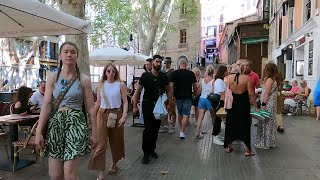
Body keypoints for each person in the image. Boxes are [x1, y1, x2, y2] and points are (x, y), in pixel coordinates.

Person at [35, 42, 97, 180]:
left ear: (77, 56)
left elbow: (91, 108)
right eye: (66, 51)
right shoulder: (53, 77)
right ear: (60, 55)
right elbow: (46, 105)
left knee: (69, 175)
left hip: (76, 125)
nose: (69, 54)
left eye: (73, 52)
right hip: (56, 124)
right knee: (55, 175)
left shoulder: (84, 79)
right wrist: (39, 132)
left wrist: (94, 133)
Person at [88, 63, 128, 179]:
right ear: (105, 72)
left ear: (116, 73)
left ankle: (114, 164)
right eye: (109, 71)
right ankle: (101, 171)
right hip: (102, 113)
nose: (111, 73)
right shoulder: (101, 85)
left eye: (113, 71)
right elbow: (98, 102)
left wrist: (124, 115)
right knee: (101, 144)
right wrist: (92, 115)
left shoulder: (120, 85)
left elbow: (125, 101)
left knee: (116, 141)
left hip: (116, 113)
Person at [132, 55, 172, 164]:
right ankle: (146, 153)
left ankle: (152, 149)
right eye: (157, 62)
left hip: (159, 106)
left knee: (156, 129)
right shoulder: (145, 76)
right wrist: (135, 106)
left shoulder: (163, 76)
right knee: (148, 129)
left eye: (160, 62)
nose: (159, 64)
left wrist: (169, 103)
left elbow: (169, 90)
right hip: (147, 105)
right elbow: (137, 92)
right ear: (153, 62)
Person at [224, 66, 258, 155]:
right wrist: (256, 106)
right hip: (243, 105)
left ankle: (229, 146)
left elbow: (227, 92)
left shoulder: (229, 78)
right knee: (244, 125)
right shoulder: (247, 78)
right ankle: (247, 150)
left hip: (232, 105)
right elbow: (251, 94)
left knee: (231, 124)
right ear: (242, 70)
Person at [170, 56, 197, 139]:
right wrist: (194, 94)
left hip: (178, 97)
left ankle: (181, 130)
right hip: (188, 96)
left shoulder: (174, 74)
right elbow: (195, 87)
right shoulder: (191, 73)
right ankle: (182, 132)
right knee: (186, 114)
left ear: (179, 64)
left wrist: (172, 96)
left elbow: (171, 86)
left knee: (180, 113)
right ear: (186, 64)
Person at [255, 63, 281, 149]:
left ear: (270, 71)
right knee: (270, 121)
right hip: (272, 103)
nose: (265, 71)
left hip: (268, 103)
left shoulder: (269, 80)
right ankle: (271, 142)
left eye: (267, 69)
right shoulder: (275, 79)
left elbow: (266, 93)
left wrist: (263, 104)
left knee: (265, 122)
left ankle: (264, 143)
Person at [195, 66, 220, 142]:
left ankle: (197, 132)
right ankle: (214, 132)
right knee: (213, 117)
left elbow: (199, 91)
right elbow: (213, 91)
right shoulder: (213, 81)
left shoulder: (202, 80)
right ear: (212, 72)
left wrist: (195, 96)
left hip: (202, 99)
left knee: (200, 117)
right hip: (210, 100)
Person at [159, 57, 175, 133]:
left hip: (171, 94)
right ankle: (165, 126)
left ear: (170, 63)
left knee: (172, 110)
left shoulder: (172, 72)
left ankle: (172, 127)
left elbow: (173, 85)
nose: (166, 64)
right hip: (163, 94)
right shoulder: (161, 72)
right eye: (165, 62)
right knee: (164, 111)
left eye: (168, 62)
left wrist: (172, 96)